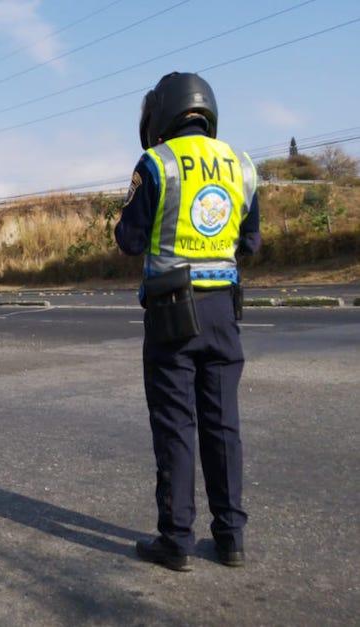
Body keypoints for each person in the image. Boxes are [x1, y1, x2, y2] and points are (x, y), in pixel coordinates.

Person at [115, 72, 261, 571]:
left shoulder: (156, 163)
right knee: (223, 423)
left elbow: (130, 240)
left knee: (176, 425)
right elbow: (252, 240)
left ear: (163, 113)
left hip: (172, 311)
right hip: (224, 309)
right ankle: (231, 538)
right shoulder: (241, 164)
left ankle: (176, 540)